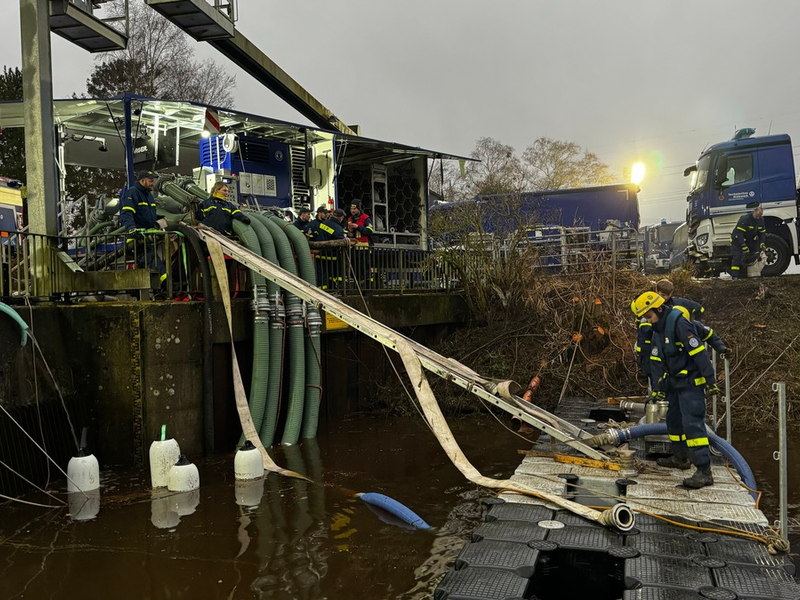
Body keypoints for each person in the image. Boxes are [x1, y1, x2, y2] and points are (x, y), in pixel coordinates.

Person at [631, 291, 719, 489]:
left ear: (659, 309)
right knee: (673, 421)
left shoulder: (679, 323)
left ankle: (704, 471)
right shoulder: (658, 328)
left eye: (649, 315)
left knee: (692, 425)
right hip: (675, 384)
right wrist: (657, 388)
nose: (648, 319)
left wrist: (710, 380)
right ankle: (681, 458)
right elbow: (656, 361)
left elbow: (699, 353)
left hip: (691, 384)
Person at [120, 170, 167, 282]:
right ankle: (166, 284)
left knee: (144, 264)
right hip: (137, 237)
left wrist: (160, 219)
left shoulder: (149, 196)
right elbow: (127, 213)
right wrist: (132, 228)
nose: (153, 184)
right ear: (143, 180)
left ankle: (143, 291)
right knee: (151, 259)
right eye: (151, 181)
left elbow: (148, 215)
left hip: (147, 236)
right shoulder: (133, 193)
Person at [729, 201, 766, 279]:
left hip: (750, 239)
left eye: (760, 216)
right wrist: (743, 246)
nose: (758, 218)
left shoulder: (761, 220)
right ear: (754, 212)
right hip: (737, 240)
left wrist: (762, 243)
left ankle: (751, 275)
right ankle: (735, 277)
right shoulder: (745, 219)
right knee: (738, 257)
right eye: (757, 216)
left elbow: (762, 233)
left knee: (754, 255)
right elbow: (739, 234)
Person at [346, 200, 375, 284]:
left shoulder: (366, 218)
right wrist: (349, 233)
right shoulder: (350, 219)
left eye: (354, 209)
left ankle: (368, 286)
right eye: (351, 209)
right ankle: (358, 284)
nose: (352, 211)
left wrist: (358, 227)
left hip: (364, 248)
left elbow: (370, 231)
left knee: (365, 268)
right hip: (354, 248)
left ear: (359, 208)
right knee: (355, 268)